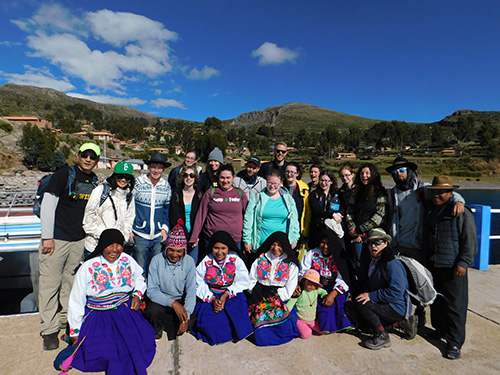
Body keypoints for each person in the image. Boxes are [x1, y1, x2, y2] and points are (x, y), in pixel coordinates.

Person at [67, 228, 156, 374]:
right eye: (110, 245)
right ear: (102, 245)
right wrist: (75, 330)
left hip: (124, 312)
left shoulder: (127, 260)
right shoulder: (88, 267)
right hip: (99, 316)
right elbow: (77, 299)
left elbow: (139, 278)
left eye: (118, 245)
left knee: (136, 345)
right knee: (110, 352)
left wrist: (137, 295)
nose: (115, 250)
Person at [38, 142, 100, 350]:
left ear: (97, 160)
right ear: (79, 156)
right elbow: (48, 202)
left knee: (71, 284)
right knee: (50, 283)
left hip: (78, 239)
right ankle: (49, 330)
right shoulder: (64, 174)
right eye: (85, 155)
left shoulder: (93, 180)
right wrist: (47, 236)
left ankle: (66, 322)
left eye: (93, 156)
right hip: (56, 238)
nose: (88, 159)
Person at [423, 176, 477, 360]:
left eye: (441, 192)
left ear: (451, 193)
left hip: (453, 267)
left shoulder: (460, 212)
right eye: (434, 192)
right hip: (434, 264)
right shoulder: (432, 209)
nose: (437, 195)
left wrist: (464, 262)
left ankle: (454, 343)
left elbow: (469, 240)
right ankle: (440, 330)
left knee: (455, 306)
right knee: (437, 301)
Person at [386, 157, 465, 263]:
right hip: (398, 245)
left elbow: (446, 193)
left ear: (409, 171)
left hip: (418, 245)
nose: (398, 173)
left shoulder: (422, 189)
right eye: (395, 171)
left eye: (402, 170)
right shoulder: (391, 195)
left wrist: (459, 202)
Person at [350, 228, 415, 350]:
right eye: (370, 243)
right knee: (365, 327)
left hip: (397, 307)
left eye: (377, 242)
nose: (373, 246)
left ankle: (382, 336)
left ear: (386, 243)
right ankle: (400, 324)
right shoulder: (376, 260)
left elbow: (396, 292)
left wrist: (371, 296)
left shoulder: (392, 264)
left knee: (361, 304)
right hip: (386, 303)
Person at [191, 231, 253, 345]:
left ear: (228, 248)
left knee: (238, 318)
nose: (219, 252)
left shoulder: (235, 259)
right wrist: (213, 299)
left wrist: (226, 294)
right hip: (210, 294)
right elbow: (198, 283)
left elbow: (243, 281)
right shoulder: (206, 260)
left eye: (223, 248)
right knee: (211, 324)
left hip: (231, 294)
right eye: (216, 248)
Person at [143, 220, 196, 341]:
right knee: (152, 312)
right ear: (166, 249)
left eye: (179, 251)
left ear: (184, 252)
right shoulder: (157, 260)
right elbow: (152, 291)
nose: (174, 254)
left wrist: (185, 316)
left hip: (180, 298)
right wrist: (173, 304)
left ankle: (174, 323)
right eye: (171, 250)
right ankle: (160, 326)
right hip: (161, 299)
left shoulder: (189, 262)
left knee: (192, 317)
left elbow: (191, 290)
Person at [248, 232, 300, 346]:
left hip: (279, 297)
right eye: (274, 244)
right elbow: (251, 279)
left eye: (280, 245)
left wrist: (275, 296)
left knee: (283, 327)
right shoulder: (260, 259)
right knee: (260, 332)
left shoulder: (291, 264)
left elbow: (289, 289)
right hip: (259, 294)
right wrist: (256, 291)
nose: (276, 248)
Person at [299, 229, 353, 333]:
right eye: (323, 242)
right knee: (321, 303)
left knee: (339, 300)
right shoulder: (312, 254)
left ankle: (344, 325)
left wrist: (333, 294)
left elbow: (344, 278)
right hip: (316, 286)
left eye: (329, 243)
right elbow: (303, 271)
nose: (325, 246)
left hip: (335, 286)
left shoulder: (339, 256)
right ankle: (325, 327)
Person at [131, 152, 172, 277]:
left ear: (163, 169)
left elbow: (167, 210)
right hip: (139, 233)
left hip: (158, 235)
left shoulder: (166, 186)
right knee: (139, 268)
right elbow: (128, 207)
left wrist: (164, 228)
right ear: (149, 167)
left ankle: (152, 294)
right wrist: (129, 229)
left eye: (159, 168)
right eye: (154, 167)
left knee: (155, 269)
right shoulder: (138, 183)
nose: (156, 170)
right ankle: (139, 294)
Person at [190, 164, 248, 250]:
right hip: (212, 239)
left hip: (235, 240)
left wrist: (248, 239)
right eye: (222, 178)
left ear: (233, 177)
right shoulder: (211, 193)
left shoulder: (240, 193)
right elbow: (200, 216)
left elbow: (248, 216)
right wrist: (194, 236)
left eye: (228, 178)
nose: (225, 181)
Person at [83, 161, 135, 255]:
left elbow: (129, 220)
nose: (123, 179)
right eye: (120, 176)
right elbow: (88, 219)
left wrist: (122, 237)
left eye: (127, 177)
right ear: (114, 176)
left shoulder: (129, 197)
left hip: (115, 249)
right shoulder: (100, 191)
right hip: (95, 247)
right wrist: (106, 236)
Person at [242, 170, 300, 254]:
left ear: (280, 183)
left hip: (282, 245)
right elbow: (248, 220)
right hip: (261, 244)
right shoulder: (256, 198)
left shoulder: (288, 199)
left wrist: (294, 239)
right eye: (270, 183)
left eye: (275, 183)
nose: (272, 186)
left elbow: (294, 221)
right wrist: (247, 240)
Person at [346, 163, 389, 265]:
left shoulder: (380, 192)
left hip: (373, 237)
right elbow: (349, 211)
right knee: (359, 265)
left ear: (373, 175)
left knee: (373, 264)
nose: (364, 176)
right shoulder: (356, 192)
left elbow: (379, 216)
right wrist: (352, 228)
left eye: (367, 173)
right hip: (357, 238)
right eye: (362, 173)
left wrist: (360, 230)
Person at [169, 166, 203, 263]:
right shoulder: (176, 195)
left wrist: (196, 236)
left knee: (192, 264)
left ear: (195, 177)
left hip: (195, 237)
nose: (189, 178)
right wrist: (185, 236)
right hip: (179, 236)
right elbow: (174, 218)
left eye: (191, 175)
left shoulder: (200, 195)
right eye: (185, 175)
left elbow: (201, 218)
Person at [305, 170, 344, 249]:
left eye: (326, 181)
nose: (323, 183)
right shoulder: (314, 194)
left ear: (331, 181)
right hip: (317, 229)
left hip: (332, 228)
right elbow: (316, 210)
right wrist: (332, 215)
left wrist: (339, 215)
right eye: (322, 180)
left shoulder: (337, 194)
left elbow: (343, 207)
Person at [286, 269, 328, 339]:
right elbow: (291, 303)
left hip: (313, 320)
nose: (311, 286)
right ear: (303, 281)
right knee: (306, 335)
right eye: (309, 283)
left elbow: (323, 292)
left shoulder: (316, 290)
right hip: (301, 320)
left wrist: (324, 295)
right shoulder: (300, 292)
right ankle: (303, 327)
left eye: (314, 284)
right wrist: (286, 311)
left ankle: (310, 327)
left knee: (323, 331)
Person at [284, 161, 310, 234]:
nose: (289, 174)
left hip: (297, 227)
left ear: (297, 174)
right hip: (282, 226)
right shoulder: (279, 187)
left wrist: (305, 230)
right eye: (287, 172)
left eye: (292, 172)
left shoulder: (304, 189)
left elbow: (307, 212)